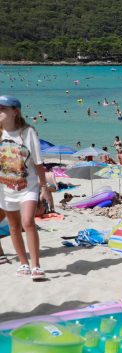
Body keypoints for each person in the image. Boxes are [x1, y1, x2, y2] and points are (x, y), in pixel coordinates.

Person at [0, 95, 52, 280]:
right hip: (5, 189)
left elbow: (38, 162)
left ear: (15, 111)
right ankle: (23, 263)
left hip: (28, 186)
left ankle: (35, 265)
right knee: (13, 227)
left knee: (28, 222)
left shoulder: (27, 132)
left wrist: (44, 187)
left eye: (3, 109)